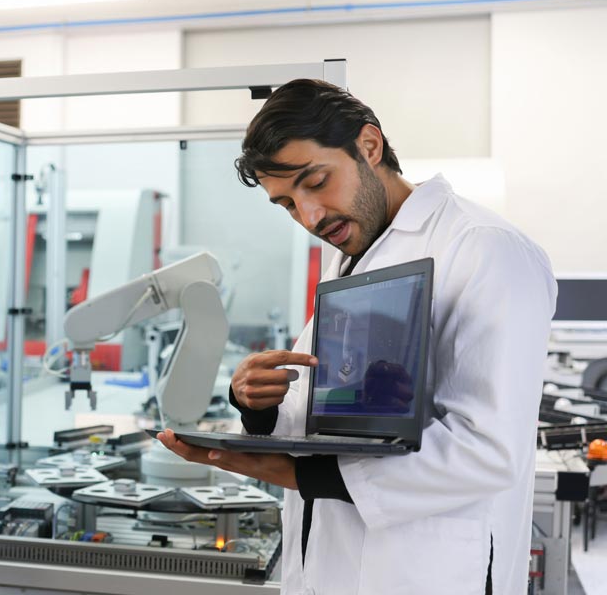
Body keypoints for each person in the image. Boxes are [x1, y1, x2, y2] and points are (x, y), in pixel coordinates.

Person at [158, 79, 556, 594]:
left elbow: (487, 449)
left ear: (369, 145)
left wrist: (298, 475)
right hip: (333, 565)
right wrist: (257, 404)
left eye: (317, 181)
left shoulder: (486, 248)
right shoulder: (353, 257)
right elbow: (314, 412)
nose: (310, 216)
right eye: (287, 204)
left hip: (427, 573)